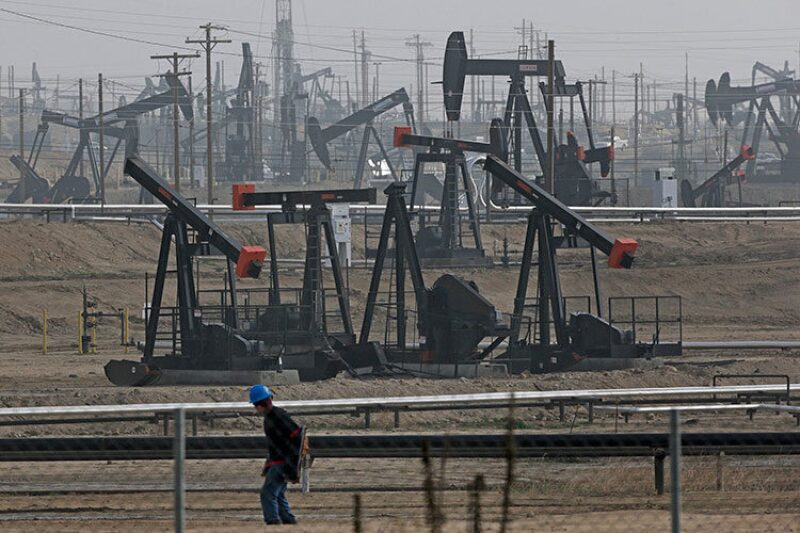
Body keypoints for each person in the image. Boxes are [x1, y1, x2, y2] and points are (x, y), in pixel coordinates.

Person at [250, 384, 300, 526]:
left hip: (281, 462)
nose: (255, 408)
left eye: (255, 405)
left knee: (267, 493)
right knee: (278, 493)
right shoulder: (275, 416)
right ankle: (288, 519)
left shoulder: (276, 417)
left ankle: (272, 520)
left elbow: (295, 439)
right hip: (281, 461)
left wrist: (290, 464)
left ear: (260, 404)